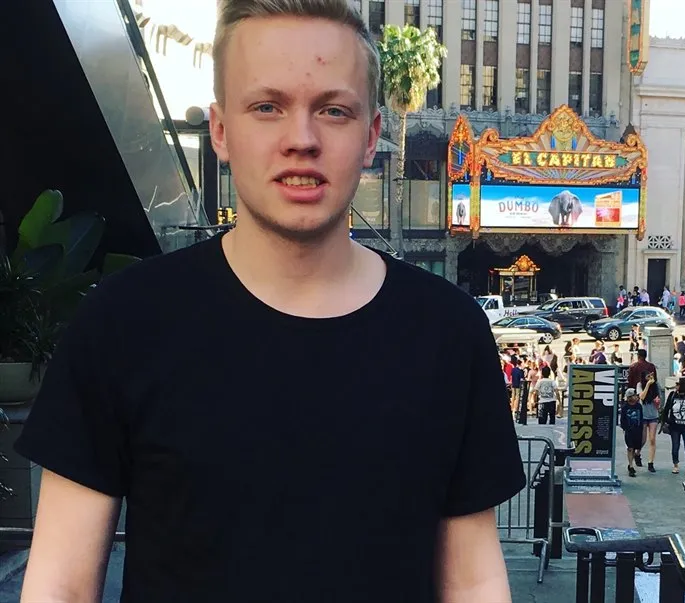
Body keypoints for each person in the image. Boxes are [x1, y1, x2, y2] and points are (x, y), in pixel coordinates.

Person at [13, 1, 525, 600]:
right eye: (267, 107)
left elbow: (474, 582)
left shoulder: (449, 333)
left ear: (371, 136)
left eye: (333, 111)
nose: (301, 139)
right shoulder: (121, 322)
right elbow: (59, 586)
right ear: (222, 131)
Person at [620, 389, 645, 478]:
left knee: (637, 447)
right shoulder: (625, 407)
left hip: (638, 430)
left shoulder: (639, 406)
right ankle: (630, 466)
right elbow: (622, 419)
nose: (636, 397)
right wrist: (625, 428)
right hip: (629, 431)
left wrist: (642, 429)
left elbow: (641, 418)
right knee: (630, 448)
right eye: (634, 395)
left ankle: (636, 456)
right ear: (630, 397)